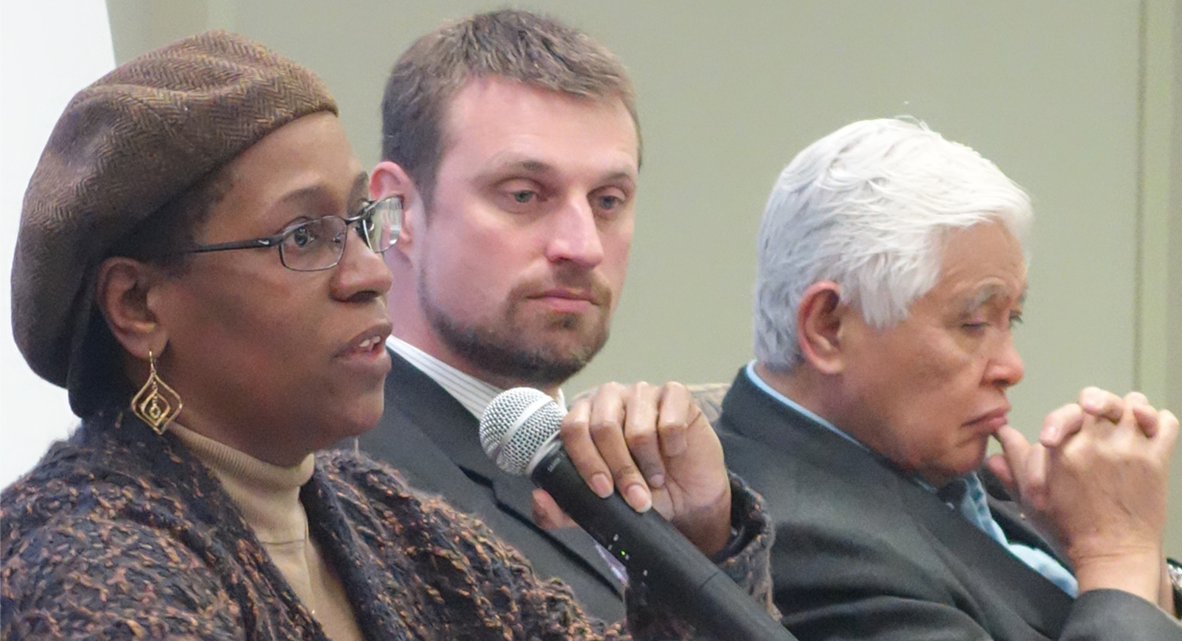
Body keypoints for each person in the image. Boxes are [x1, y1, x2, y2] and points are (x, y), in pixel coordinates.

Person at [0, 31, 773, 640]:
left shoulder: (371, 514)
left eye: (361, 222)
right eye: (304, 236)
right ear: (138, 304)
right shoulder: (85, 561)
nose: (369, 271)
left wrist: (698, 544)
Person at [712, 117, 1182, 639]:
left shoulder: (941, 469)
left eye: (1010, 321)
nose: (1013, 367)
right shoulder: (794, 542)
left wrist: (1107, 559)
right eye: (973, 323)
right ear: (829, 327)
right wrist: (1118, 554)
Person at [353, 10, 641, 621]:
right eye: (523, 195)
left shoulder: (646, 462)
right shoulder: (351, 483)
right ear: (398, 210)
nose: (583, 244)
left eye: (608, 200)